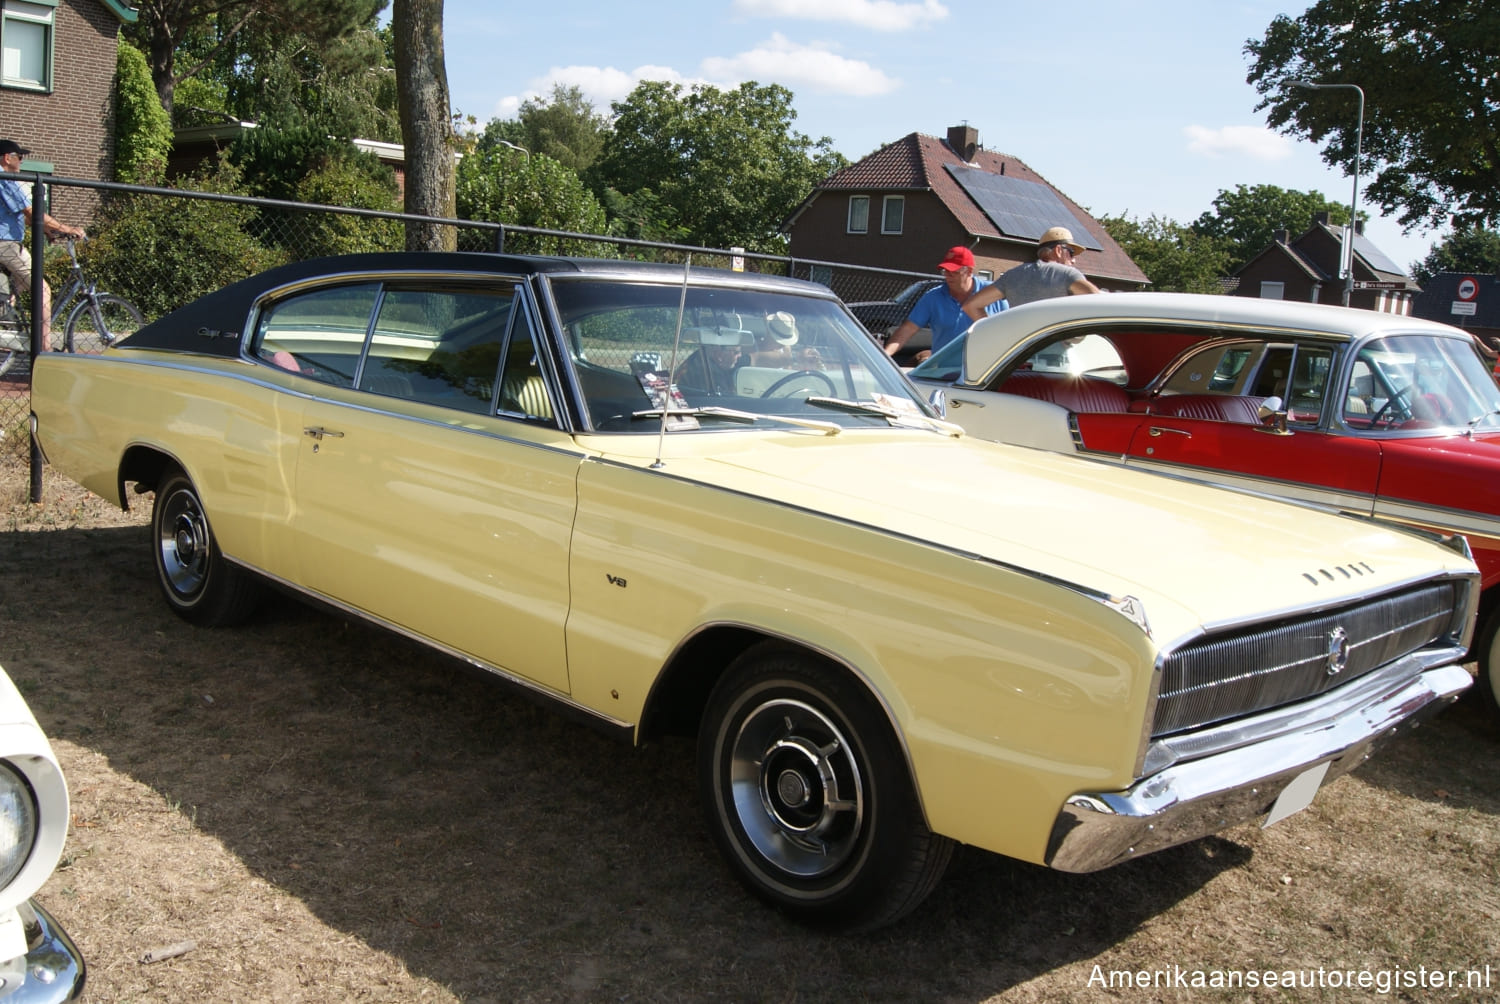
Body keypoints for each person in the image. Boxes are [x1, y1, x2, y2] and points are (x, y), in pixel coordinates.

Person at [0, 139, 86, 350]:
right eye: (19, 157)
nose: (21, 161)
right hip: (6, 244)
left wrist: (47, 229)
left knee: (17, 287)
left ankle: (7, 320)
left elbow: (27, 218)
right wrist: (67, 229)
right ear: (6, 158)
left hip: (6, 244)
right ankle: (44, 348)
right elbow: (31, 211)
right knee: (43, 290)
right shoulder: (5, 179)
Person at [884, 246, 1003, 360]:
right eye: (945, 271)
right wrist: (885, 355)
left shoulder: (995, 293)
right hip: (944, 371)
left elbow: (1011, 329)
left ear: (969, 271)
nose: (948, 276)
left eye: (954, 272)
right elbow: (908, 329)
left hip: (986, 372)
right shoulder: (932, 298)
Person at [961, 226, 1099, 320]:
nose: (1073, 260)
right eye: (1071, 252)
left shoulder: (1013, 276)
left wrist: (996, 334)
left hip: (1021, 356)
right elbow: (1098, 300)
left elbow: (971, 306)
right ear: (1058, 250)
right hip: (1056, 357)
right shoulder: (1068, 275)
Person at [674, 320, 747, 397]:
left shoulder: (700, 358)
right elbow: (726, 403)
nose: (740, 355)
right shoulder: (710, 375)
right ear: (718, 354)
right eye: (736, 352)